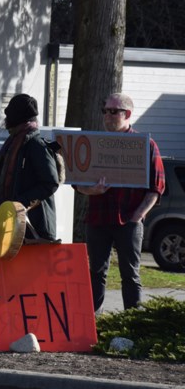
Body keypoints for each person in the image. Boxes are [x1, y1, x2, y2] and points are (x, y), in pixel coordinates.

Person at [76, 93, 165, 314]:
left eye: (113, 111)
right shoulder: (95, 144)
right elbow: (76, 182)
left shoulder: (145, 145)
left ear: (127, 114)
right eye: (105, 111)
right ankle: (93, 324)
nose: (107, 115)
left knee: (130, 274)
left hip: (129, 220)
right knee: (95, 272)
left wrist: (138, 216)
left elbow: (156, 187)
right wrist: (91, 190)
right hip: (98, 218)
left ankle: (132, 324)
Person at [0, 93, 60, 245]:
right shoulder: (14, 141)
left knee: (31, 269)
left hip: (32, 226)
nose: (5, 119)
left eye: (9, 115)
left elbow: (50, 183)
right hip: (13, 221)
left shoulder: (36, 145)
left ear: (16, 118)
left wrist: (21, 202)